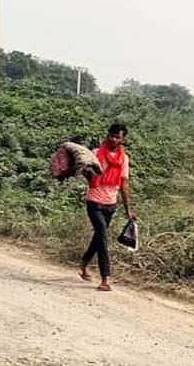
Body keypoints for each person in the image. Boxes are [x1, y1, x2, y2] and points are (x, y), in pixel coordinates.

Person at [79, 122, 134, 292]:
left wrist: (128, 210)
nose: (114, 139)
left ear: (122, 139)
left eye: (118, 137)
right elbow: (86, 173)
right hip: (94, 201)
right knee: (103, 236)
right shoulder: (96, 153)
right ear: (107, 135)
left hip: (111, 204)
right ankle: (106, 278)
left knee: (98, 237)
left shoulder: (124, 159)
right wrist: (87, 173)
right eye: (112, 136)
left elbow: (124, 184)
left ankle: (84, 263)